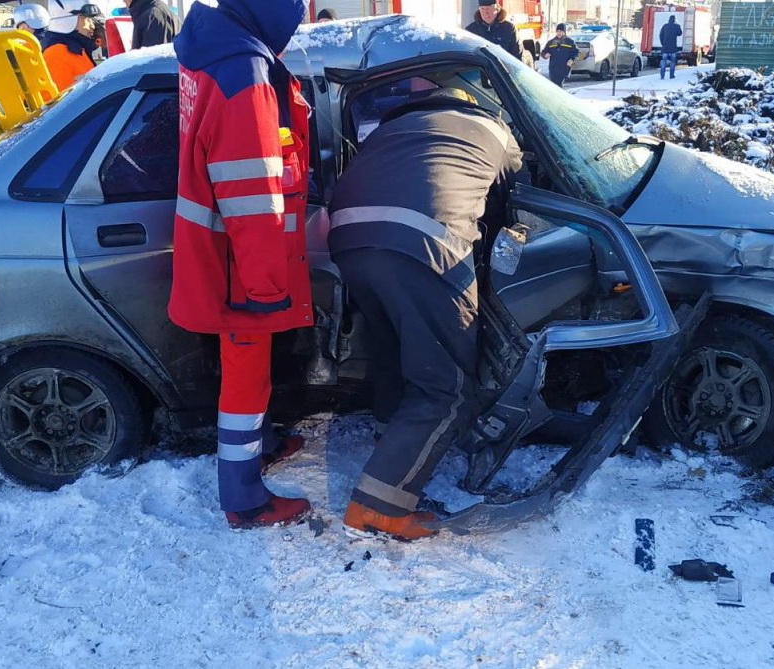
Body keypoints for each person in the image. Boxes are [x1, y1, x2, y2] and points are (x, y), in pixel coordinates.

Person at [328, 88, 523, 541]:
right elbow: (518, 192)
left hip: (348, 239)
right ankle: (379, 510)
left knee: (390, 350)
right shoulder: (494, 129)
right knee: (447, 388)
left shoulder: (389, 130)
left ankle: (391, 442)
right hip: (422, 243)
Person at [171, 0, 314, 530]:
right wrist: (265, 287)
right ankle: (245, 499)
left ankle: (263, 447)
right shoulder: (243, 73)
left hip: (216, 249)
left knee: (248, 375)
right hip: (238, 265)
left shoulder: (212, 46)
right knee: (246, 381)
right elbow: (252, 195)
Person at [43, 0, 97, 90]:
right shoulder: (57, 53)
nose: (92, 26)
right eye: (87, 19)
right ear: (68, 20)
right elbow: (58, 101)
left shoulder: (77, 49)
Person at [659, 15, 682, 80]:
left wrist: (663, 44)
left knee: (663, 62)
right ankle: (671, 75)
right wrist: (677, 25)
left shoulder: (665, 26)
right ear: (674, 20)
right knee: (672, 62)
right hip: (673, 48)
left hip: (665, 48)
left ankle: (662, 76)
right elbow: (680, 33)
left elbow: (661, 35)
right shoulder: (676, 26)